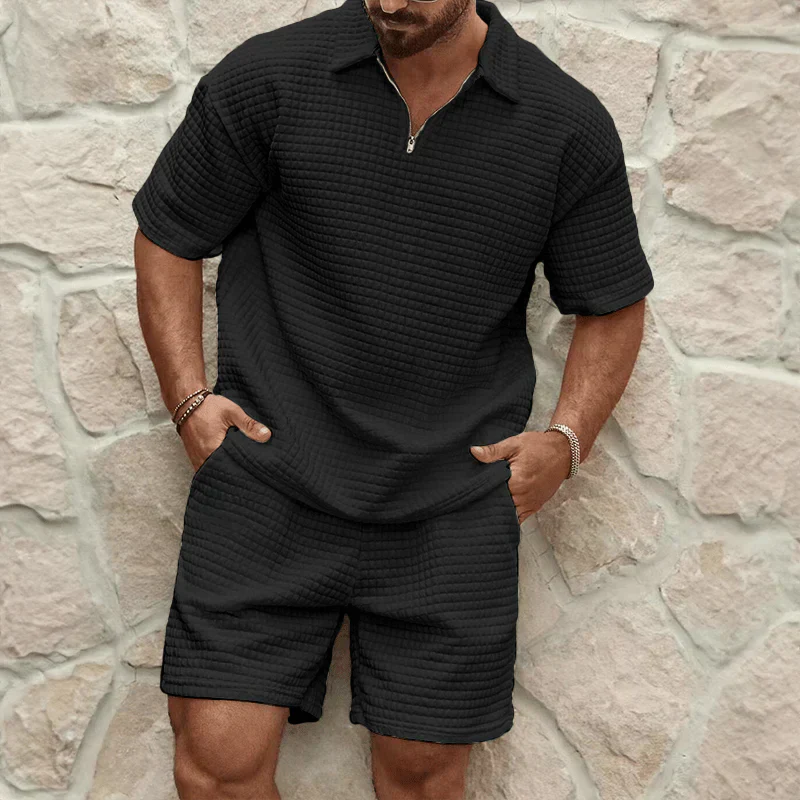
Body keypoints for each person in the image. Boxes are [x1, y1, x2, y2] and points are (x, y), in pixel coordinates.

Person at [132, 0, 654, 795]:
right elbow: (169, 231)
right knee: (216, 768)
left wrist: (566, 441)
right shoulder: (269, 78)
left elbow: (613, 301)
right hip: (269, 486)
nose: (393, 2)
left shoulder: (563, 123)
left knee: (422, 781)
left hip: (449, 507)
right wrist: (188, 399)